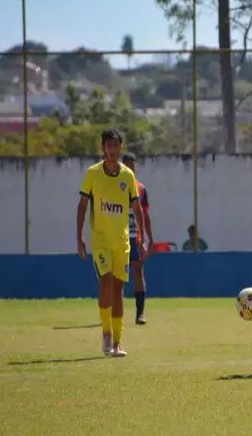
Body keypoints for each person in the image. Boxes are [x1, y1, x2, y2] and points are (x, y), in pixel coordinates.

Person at [76, 129, 146, 357]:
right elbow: (83, 206)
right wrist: (80, 237)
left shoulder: (128, 176)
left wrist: (142, 238)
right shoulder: (92, 174)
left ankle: (118, 342)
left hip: (122, 242)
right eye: (108, 146)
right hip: (101, 241)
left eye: (116, 146)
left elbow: (137, 208)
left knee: (118, 289)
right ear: (102, 148)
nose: (112, 150)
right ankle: (106, 334)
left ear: (120, 148)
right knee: (105, 281)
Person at [122, 153, 154, 325]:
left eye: (131, 166)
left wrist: (150, 239)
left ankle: (140, 313)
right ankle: (115, 312)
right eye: (126, 166)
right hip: (118, 236)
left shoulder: (141, 189)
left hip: (136, 237)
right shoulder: (114, 186)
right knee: (116, 276)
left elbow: (146, 215)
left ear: (136, 167)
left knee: (137, 272)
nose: (129, 169)